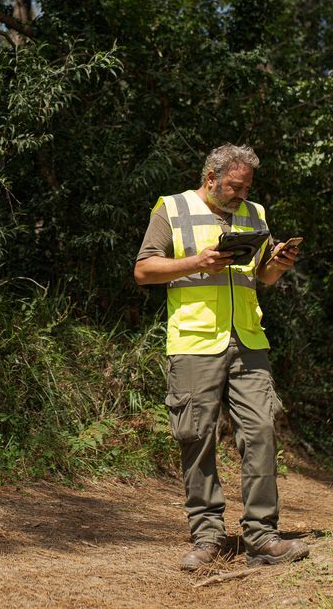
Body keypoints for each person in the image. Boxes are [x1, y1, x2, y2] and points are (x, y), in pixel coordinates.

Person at [133, 143, 310, 570]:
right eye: (234, 186)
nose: (241, 194)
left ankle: (262, 537)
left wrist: (280, 263)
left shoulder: (255, 214)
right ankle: (208, 537)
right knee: (196, 437)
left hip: (248, 340)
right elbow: (143, 269)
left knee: (262, 430)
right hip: (194, 342)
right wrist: (197, 262)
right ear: (210, 178)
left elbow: (262, 275)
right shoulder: (171, 209)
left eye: (247, 186)